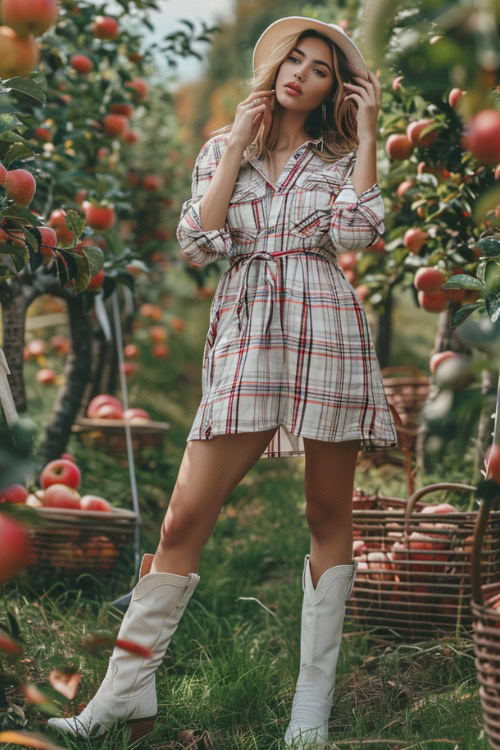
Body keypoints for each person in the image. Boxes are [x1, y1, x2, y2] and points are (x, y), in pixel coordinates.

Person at [47, 15, 398, 749]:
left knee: (328, 517)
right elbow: (198, 243)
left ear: (339, 88)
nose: (302, 72)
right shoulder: (222, 149)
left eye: (323, 68)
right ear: (274, 65)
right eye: (294, 59)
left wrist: (367, 139)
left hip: (323, 326)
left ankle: (311, 712)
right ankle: (123, 694)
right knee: (181, 520)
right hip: (245, 328)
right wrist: (237, 144)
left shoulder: (338, 155)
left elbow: (358, 232)